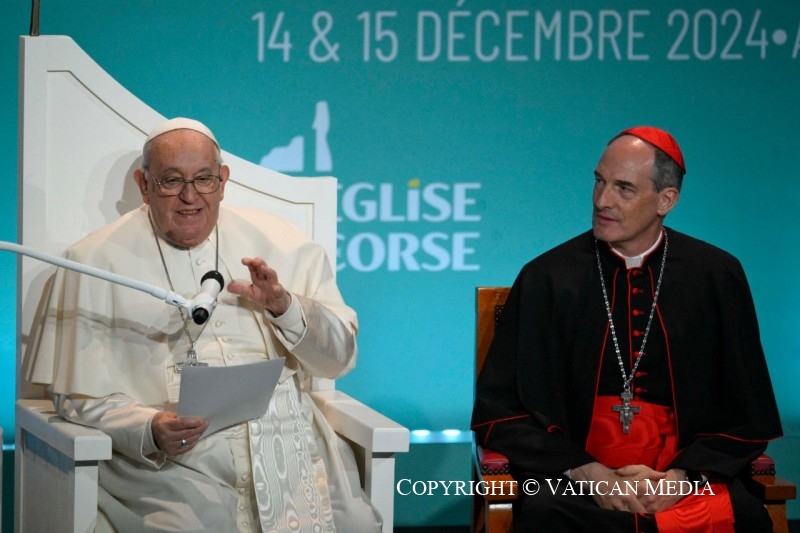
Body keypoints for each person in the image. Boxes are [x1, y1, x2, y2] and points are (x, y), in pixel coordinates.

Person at [27, 117, 381, 532]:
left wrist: (284, 307)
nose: (190, 196)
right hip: (174, 466)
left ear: (223, 181)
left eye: (204, 179)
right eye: (171, 180)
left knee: (355, 523)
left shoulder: (283, 241)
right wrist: (147, 429)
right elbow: (76, 395)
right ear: (144, 184)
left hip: (292, 443)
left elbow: (340, 360)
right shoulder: (93, 261)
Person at [471, 126, 783, 532]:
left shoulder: (716, 276)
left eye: (624, 188)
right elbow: (501, 412)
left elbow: (748, 413)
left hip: (683, 475)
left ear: (666, 200)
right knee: (546, 516)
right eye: (599, 181)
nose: (602, 200)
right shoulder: (546, 277)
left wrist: (682, 479)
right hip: (575, 476)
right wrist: (588, 472)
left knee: (745, 517)